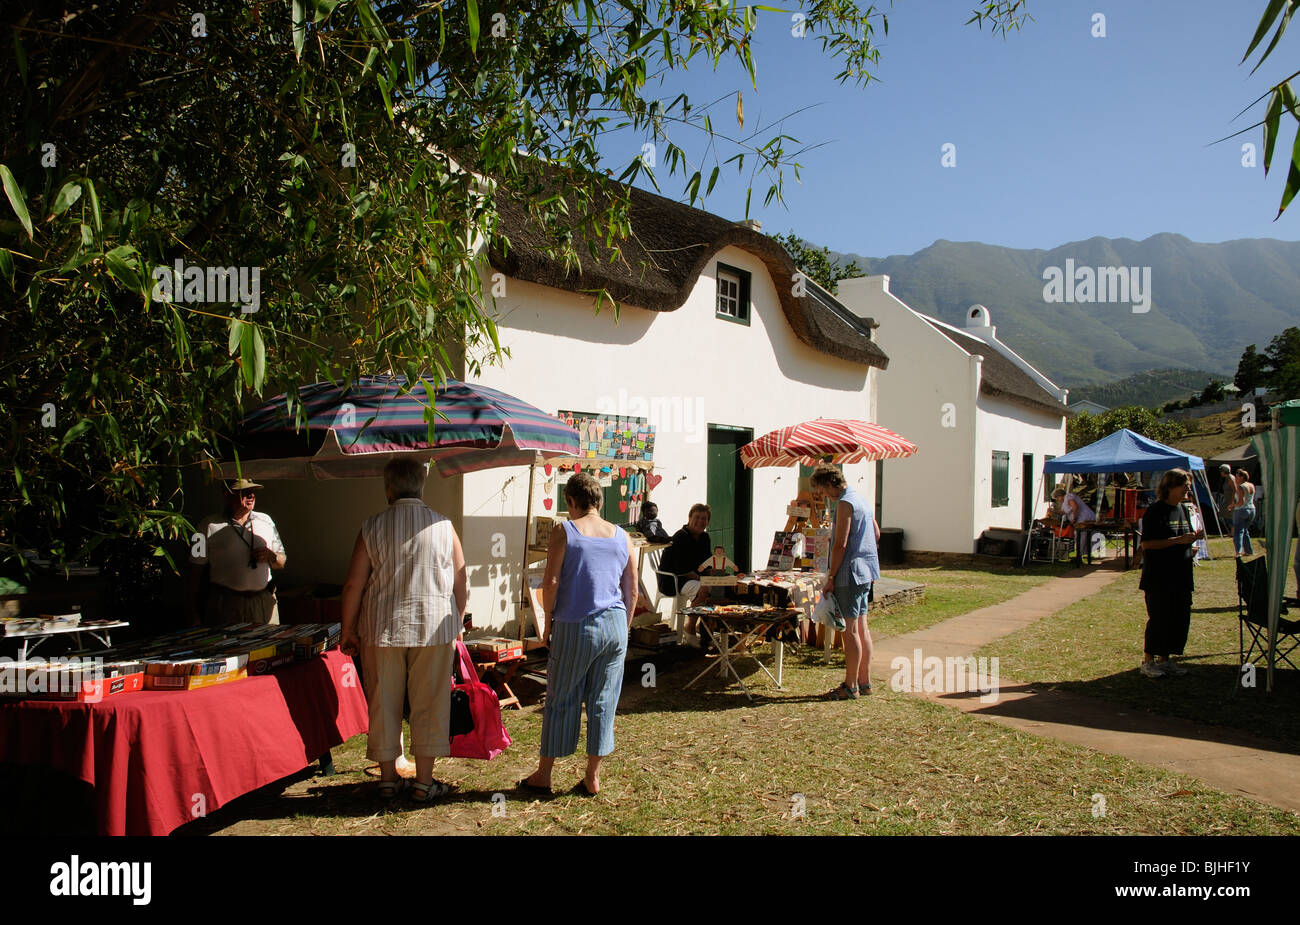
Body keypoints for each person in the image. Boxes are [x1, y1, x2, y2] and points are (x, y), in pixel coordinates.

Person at [340, 458, 468, 804]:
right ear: (422, 486)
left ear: (388, 487)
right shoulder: (444, 525)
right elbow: (461, 577)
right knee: (429, 703)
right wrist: (457, 622)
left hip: (382, 628)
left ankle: (386, 780)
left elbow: (354, 584)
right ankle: (424, 783)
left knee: (383, 701)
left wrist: (347, 630)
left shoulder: (372, 526)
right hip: (433, 627)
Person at [520, 472, 637, 796]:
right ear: (599, 501)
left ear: (571, 501)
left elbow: (551, 582)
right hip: (614, 624)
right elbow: (633, 590)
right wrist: (623, 628)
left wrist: (548, 623)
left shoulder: (565, 531)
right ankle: (592, 776)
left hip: (576, 624)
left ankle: (544, 775)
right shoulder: (622, 536)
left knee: (561, 698)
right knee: (603, 700)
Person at [811, 465, 881, 699]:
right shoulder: (861, 499)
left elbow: (840, 544)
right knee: (862, 628)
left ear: (830, 484)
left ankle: (850, 685)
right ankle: (864, 681)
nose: (823, 496)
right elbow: (876, 534)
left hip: (848, 574)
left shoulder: (844, 503)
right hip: (866, 571)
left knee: (849, 631)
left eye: (822, 491)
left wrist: (831, 577)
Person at [189, 478, 286, 625]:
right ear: (227, 495)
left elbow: (282, 561)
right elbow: (194, 570)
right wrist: (192, 610)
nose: (251, 496)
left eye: (252, 492)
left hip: (263, 603)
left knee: (267, 646)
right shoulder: (205, 525)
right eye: (244, 492)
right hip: (226, 605)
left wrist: (272, 556)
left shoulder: (266, 520)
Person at [1137, 468, 1203, 678]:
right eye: (1184, 486)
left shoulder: (1183, 510)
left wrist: (1190, 542)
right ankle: (1148, 661)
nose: (1188, 490)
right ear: (1170, 487)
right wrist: (1177, 541)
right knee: (1159, 618)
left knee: (1179, 618)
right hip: (1159, 577)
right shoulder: (1155, 511)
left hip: (1181, 575)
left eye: (1188, 486)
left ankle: (1165, 660)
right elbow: (1147, 544)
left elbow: (1182, 536)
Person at [657, 503, 712, 644]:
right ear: (689, 518)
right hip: (674, 580)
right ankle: (690, 626)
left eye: (704, 519)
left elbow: (708, 561)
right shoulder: (680, 537)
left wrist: (714, 574)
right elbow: (680, 568)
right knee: (704, 589)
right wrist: (702, 578)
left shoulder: (705, 538)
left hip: (694, 578)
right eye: (697, 517)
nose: (700, 521)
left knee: (720, 589)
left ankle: (705, 628)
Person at [1228, 468, 1256, 557]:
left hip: (1242, 510)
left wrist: (1232, 505)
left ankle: (1238, 552)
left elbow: (1241, 502)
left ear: (1242, 477)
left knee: (1238, 532)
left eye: (1237, 477)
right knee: (1245, 531)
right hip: (1252, 510)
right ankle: (1249, 551)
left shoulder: (1241, 487)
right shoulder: (1251, 485)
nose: (1236, 478)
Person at [1216, 463, 1237, 535]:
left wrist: (1232, 502)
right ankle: (1232, 531)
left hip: (1231, 500)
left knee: (1230, 516)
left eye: (1221, 471)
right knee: (1224, 514)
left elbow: (1234, 490)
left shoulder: (1230, 478)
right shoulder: (1228, 478)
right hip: (1227, 500)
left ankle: (1233, 532)